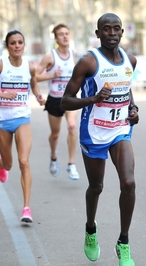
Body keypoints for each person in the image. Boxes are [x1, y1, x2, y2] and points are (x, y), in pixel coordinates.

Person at [61, 13, 139, 266]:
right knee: (97, 187)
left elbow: (126, 88)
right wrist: (93, 99)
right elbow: (66, 101)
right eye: (107, 29)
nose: (112, 33)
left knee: (128, 182)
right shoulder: (88, 62)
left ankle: (123, 242)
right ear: (98, 33)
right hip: (93, 132)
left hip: (119, 129)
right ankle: (91, 230)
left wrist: (133, 109)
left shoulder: (130, 60)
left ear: (122, 32)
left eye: (117, 29)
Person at [0, 30, 46, 223]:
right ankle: (2, 163)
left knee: (24, 161)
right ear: (7, 46)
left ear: (24, 45)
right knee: (10, 164)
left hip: (22, 118)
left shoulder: (30, 67)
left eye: (20, 42)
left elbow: (34, 84)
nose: (17, 46)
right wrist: (2, 95)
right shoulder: (0, 65)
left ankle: (26, 208)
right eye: (13, 43)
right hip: (1, 121)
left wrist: (39, 96)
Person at [36, 24, 80, 180]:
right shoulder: (50, 56)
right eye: (61, 34)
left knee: (72, 126)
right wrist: (52, 75)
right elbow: (35, 76)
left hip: (70, 98)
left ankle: (71, 164)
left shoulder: (74, 55)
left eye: (67, 33)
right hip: (54, 99)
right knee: (55, 134)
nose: (65, 36)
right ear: (55, 38)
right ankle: (53, 156)